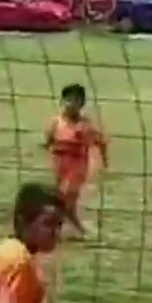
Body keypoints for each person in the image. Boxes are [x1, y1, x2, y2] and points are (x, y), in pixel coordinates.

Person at [43, 84, 108, 237]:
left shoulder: (84, 125)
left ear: (82, 104)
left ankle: (76, 231)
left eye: (76, 101)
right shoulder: (56, 123)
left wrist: (105, 162)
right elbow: (48, 141)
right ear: (62, 101)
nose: (72, 104)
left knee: (65, 201)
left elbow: (101, 142)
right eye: (69, 100)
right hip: (60, 167)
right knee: (61, 201)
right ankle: (71, 231)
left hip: (77, 168)